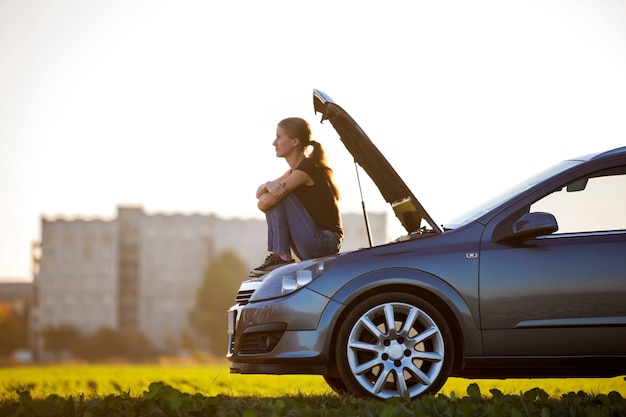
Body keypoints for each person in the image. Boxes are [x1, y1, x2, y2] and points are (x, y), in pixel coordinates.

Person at [250, 117, 343, 277]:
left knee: (280, 197)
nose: (274, 143)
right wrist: (267, 185)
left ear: (294, 142)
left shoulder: (307, 168)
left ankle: (281, 256)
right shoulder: (295, 172)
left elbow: (266, 202)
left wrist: (269, 190)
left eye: (279, 137)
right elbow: (259, 194)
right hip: (313, 242)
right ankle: (280, 256)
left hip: (324, 242)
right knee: (277, 194)